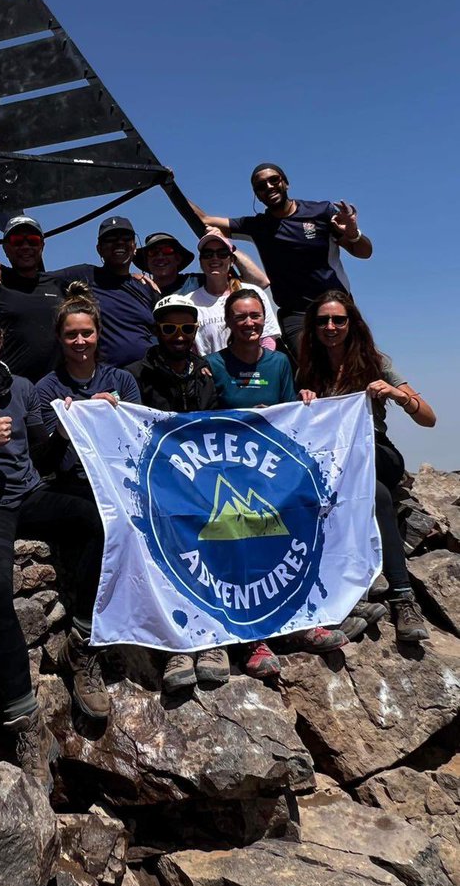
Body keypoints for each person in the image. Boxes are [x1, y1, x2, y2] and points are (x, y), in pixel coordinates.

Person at [0, 301, 109, 789]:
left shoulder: (19, 387)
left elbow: (42, 445)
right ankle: (26, 721)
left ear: (1, 341)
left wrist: (79, 417)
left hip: (30, 494)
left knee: (97, 521)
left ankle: (80, 643)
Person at [206, 289, 347, 672]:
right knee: (244, 545)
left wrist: (300, 399)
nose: (249, 323)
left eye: (255, 315)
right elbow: (202, 424)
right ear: (228, 323)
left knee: (303, 532)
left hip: (271, 473)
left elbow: (289, 421)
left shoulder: (280, 362)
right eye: (240, 317)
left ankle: (301, 622)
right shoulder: (212, 365)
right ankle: (254, 641)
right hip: (228, 478)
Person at [297, 291, 435, 643]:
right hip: (336, 461)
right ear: (313, 327)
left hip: (376, 453)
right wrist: (304, 400)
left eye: (338, 320)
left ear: (351, 323)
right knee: (373, 495)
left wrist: (397, 394)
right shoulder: (307, 369)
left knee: (372, 490)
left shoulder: (375, 362)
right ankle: (374, 591)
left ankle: (401, 597)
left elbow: (428, 418)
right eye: (323, 321)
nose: (331, 327)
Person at [125, 294, 229, 691]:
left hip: (205, 485)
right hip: (159, 488)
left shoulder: (206, 371)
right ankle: (178, 645)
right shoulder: (135, 374)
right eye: (169, 328)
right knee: (169, 555)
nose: (179, 335)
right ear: (156, 331)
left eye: (187, 327)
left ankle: (216, 638)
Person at [188, 163, 372, 355]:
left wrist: (353, 234)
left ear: (285, 182)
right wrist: (169, 182)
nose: (268, 187)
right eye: (260, 186)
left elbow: (363, 252)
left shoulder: (321, 212)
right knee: (310, 369)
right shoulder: (258, 226)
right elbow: (203, 219)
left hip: (338, 304)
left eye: (274, 180)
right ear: (257, 195)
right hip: (296, 314)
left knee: (360, 363)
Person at [36, 283, 141, 495]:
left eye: (87, 333)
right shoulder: (46, 389)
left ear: (98, 333)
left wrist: (109, 417)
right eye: (71, 334)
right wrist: (65, 430)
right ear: (59, 336)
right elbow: (50, 464)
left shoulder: (123, 380)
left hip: (120, 482)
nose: (80, 341)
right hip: (70, 487)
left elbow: (137, 445)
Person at [54, 216, 158, 368]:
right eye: (110, 239)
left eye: (126, 238)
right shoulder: (85, 275)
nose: (119, 242)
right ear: (99, 249)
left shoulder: (146, 288)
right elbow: (39, 279)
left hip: (149, 376)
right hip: (110, 381)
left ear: (134, 246)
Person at [0, 215, 65, 383]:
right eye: (17, 241)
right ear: (5, 248)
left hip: (56, 391)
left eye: (32, 241)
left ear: (42, 245)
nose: (25, 246)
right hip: (11, 389)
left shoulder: (60, 285)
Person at [185, 232, 280, 357]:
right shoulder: (188, 302)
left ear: (232, 260)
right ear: (201, 261)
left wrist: (261, 365)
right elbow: (191, 348)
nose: (215, 258)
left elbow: (268, 337)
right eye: (207, 254)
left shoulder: (255, 293)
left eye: (222, 254)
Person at [134, 231, 267, 297]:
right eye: (153, 252)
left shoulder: (199, 282)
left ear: (178, 258)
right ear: (146, 260)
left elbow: (259, 282)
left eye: (167, 251)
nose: (160, 256)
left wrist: (228, 248)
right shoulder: (138, 289)